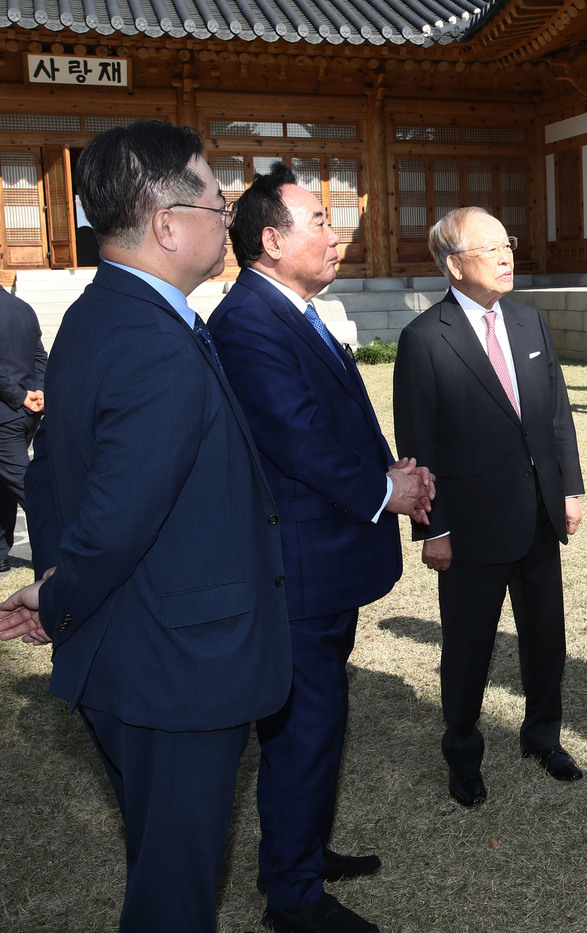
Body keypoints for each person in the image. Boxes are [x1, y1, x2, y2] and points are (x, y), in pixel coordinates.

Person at [0, 120, 292, 933]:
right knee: (174, 890)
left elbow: (57, 474)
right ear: (168, 222)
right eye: (217, 200)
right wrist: (60, 598)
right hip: (177, 669)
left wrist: (58, 580)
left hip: (133, 653)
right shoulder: (151, 339)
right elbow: (117, 519)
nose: (226, 217)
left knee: (164, 859)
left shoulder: (99, 314)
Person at [208, 162, 434, 933]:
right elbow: (297, 437)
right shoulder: (247, 323)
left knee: (314, 725)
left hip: (324, 562)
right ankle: (294, 895)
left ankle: (298, 852)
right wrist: (386, 491)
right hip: (297, 569)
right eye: (320, 224)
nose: (337, 236)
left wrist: (386, 470)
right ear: (271, 241)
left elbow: (334, 422)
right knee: (304, 727)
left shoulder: (295, 310)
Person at [393, 207, 586, 811]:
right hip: (470, 526)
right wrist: (435, 527)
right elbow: (418, 443)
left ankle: (543, 737)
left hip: (536, 516)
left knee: (545, 637)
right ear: (454, 263)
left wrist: (569, 490)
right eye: (493, 248)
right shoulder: (425, 338)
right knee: (469, 646)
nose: (507, 256)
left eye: (510, 243)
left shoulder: (529, 323)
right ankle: (462, 752)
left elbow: (556, 416)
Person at [0, 288, 45, 575]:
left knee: (26, 487)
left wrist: (19, 394)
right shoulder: (21, 306)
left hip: (6, 413)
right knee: (4, 484)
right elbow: (40, 356)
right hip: (26, 411)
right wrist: (39, 390)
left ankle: (64, 544)